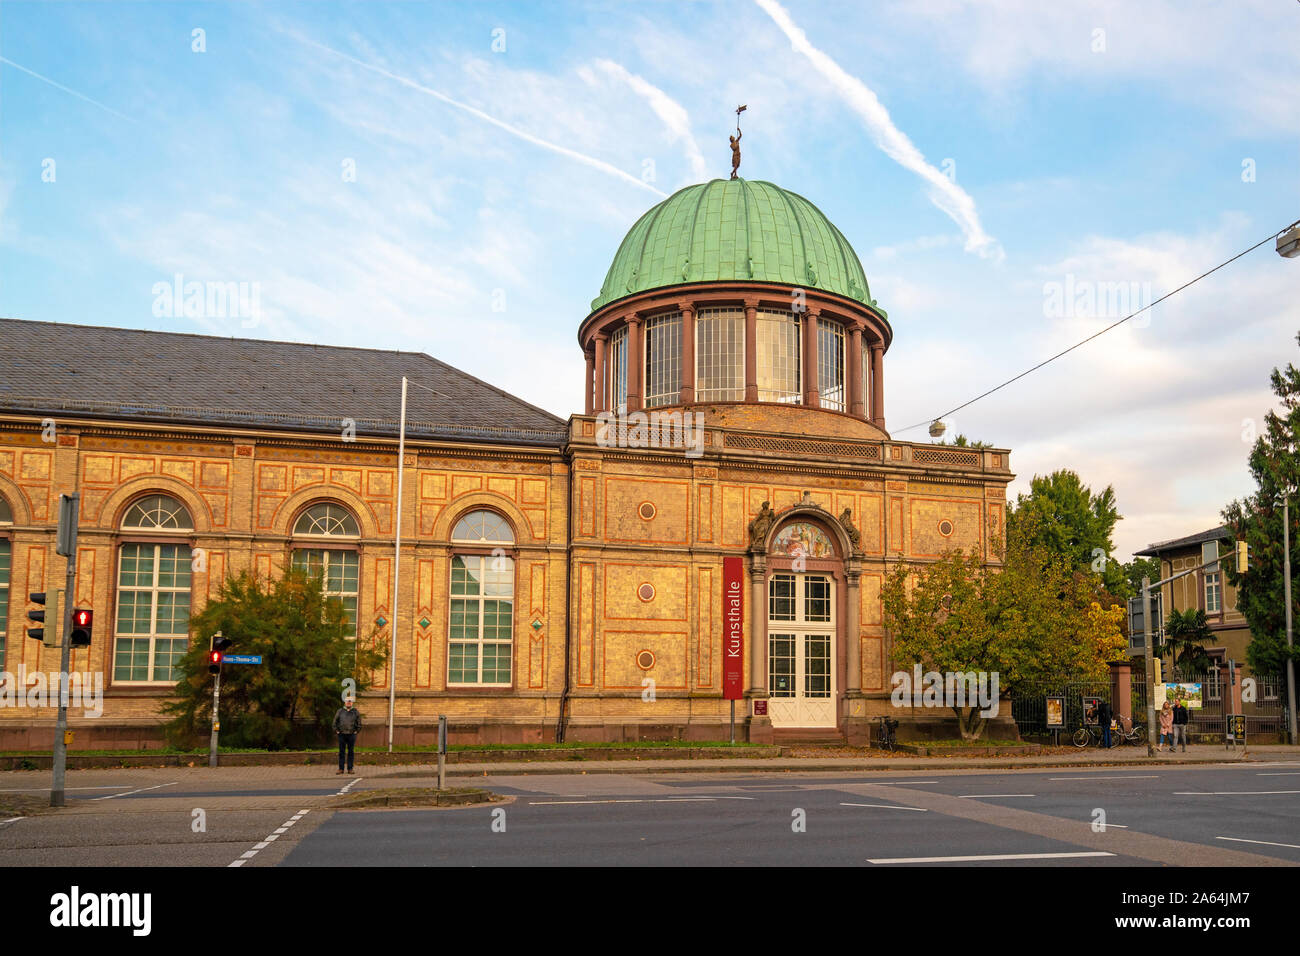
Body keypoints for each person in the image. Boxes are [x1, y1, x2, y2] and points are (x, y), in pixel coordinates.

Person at [333, 697, 362, 774]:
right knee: (341, 752)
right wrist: (337, 731)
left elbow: (359, 722)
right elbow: (335, 722)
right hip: (341, 735)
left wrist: (357, 731)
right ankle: (341, 769)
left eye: (350, 701)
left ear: (352, 703)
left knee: (351, 752)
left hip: (351, 735)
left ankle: (350, 768)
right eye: (347, 701)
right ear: (345, 702)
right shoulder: (340, 711)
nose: (348, 703)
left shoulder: (355, 712)